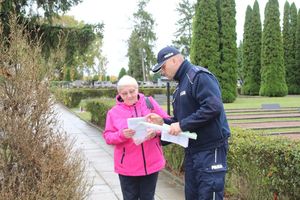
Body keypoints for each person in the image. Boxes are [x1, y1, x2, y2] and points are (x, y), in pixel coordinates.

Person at [146, 46, 230, 200]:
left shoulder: (198, 76)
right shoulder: (179, 89)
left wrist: (182, 125)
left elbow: (213, 107)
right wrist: (162, 122)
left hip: (211, 149)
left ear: (175, 60)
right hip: (192, 151)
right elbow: (179, 121)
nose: (162, 72)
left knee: (208, 195)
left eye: (163, 67)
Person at [103, 75, 169, 200]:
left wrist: (155, 132)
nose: (129, 96)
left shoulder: (150, 103)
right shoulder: (114, 112)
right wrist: (122, 135)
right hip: (127, 167)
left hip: (151, 163)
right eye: (124, 93)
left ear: (137, 89)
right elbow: (108, 136)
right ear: (119, 94)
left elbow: (166, 123)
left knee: (148, 198)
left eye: (132, 91)